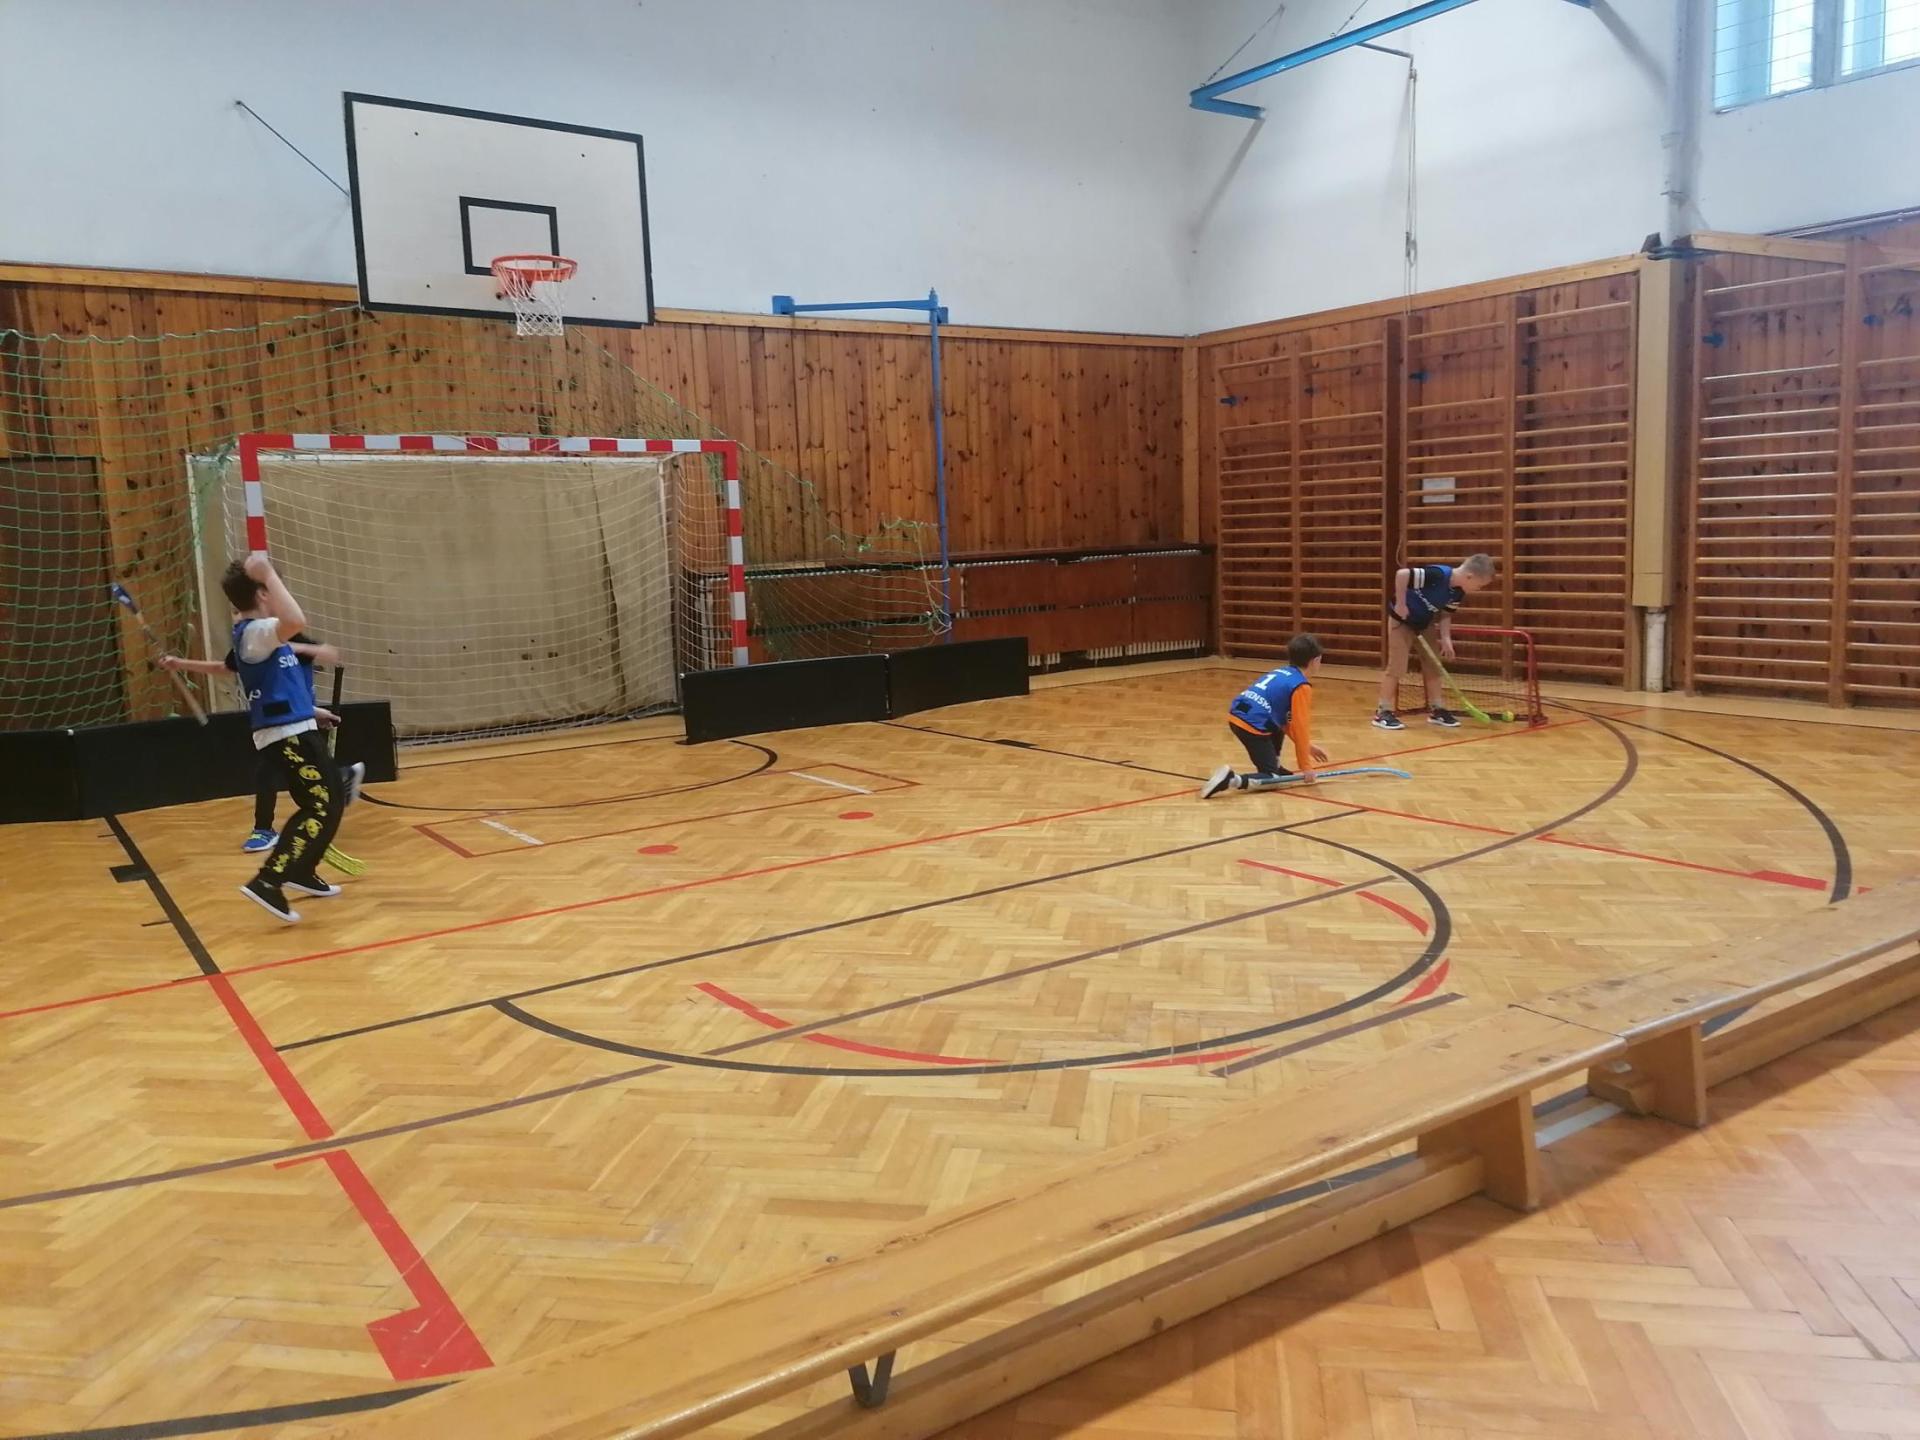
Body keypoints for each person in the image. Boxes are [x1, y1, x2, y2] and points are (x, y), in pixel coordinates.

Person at [205, 553, 360, 922]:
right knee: (320, 806)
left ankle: (302, 870)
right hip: (288, 738)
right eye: (270, 588)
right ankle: (268, 881)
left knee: (330, 801)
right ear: (262, 594)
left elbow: (276, 685)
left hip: (296, 728)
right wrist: (268, 573)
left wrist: (312, 711)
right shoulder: (256, 632)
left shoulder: (263, 636)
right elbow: (295, 620)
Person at [164, 635, 342, 852]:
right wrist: (180, 663)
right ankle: (265, 829)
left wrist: (288, 647)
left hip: (297, 723)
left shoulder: (288, 642)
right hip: (275, 725)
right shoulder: (248, 643)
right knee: (268, 773)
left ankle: (332, 791)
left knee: (297, 782)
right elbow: (225, 667)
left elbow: (327, 655)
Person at [1372, 553, 1497, 731]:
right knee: (1397, 665)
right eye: (1479, 585)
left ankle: (1437, 709)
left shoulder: (1458, 591)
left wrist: (1446, 638)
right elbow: (1402, 575)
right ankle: (1382, 711)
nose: (1478, 589)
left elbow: (1446, 613)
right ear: (1470, 576)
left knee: (1434, 665)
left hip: (1424, 623)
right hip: (1401, 621)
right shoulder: (1438, 575)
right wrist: (1401, 604)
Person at [1200, 633, 1330, 799]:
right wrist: (1306, 766)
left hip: (1239, 714)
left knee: (1279, 721)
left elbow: (1285, 723)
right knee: (1272, 780)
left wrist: (1308, 747)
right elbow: (1300, 726)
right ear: (1315, 660)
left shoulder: (1282, 672)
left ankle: (1274, 766)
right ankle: (1232, 780)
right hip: (1252, 725)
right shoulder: (1301, 686)